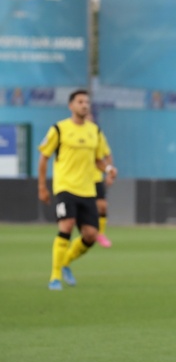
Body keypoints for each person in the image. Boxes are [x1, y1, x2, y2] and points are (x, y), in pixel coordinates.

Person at [38, 90, 117, 290]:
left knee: (90, 235)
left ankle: (65, 262)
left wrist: (108, 169)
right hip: (65, 187)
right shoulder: (59, 129)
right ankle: (54, 277)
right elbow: (44, 157)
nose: (84, 105)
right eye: (80, 101)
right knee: (66, 225)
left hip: (87, 189)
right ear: (71, 106)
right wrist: (42, 187)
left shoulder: (94, 131)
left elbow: (98, 160)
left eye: (87, 102)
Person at [87, 111, 114, 248]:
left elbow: (107, 154)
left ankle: (101, 234)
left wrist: (109, 172)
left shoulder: (97, 134)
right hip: (78, 180)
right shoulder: (70, 132)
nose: (89, 118)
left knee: (102, 206)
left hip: (96, 177)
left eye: (91, 116)